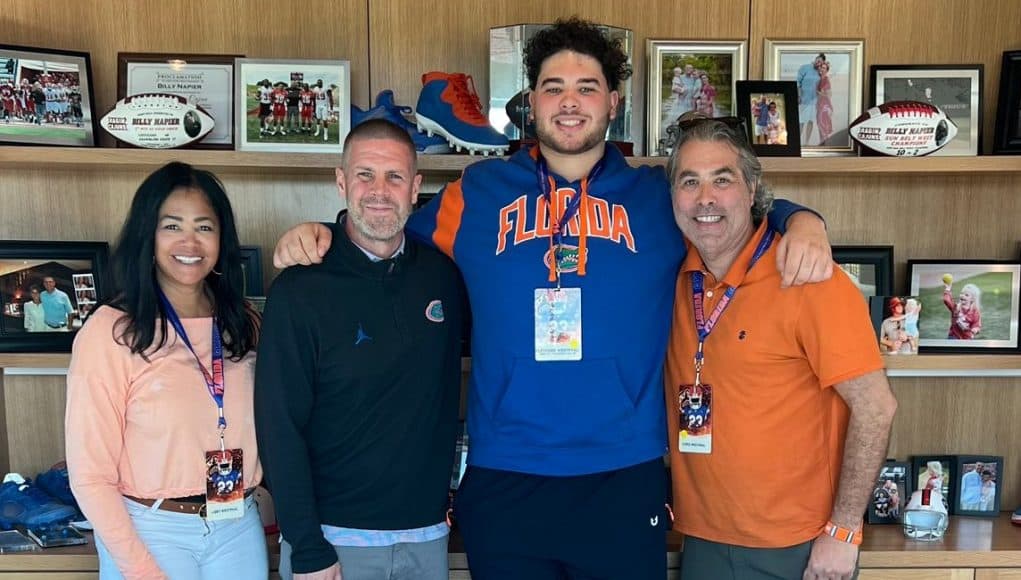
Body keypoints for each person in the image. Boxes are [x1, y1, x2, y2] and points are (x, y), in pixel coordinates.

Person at [272, 17, 835, 579]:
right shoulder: (476, 193)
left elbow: (731, 208)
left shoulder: (656, 197)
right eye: (553, 88)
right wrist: (326, 229)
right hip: (506, 473)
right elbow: (385, 230)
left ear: (613, 102)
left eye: (587, 88)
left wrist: (799, 218)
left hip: (622, 473)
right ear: (531, 102)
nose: (570, 103)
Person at [663, 114, 897, 580]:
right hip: (703, 539)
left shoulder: (809, 278)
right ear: (672, 197)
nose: (705, 198)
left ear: (752, 192)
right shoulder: (670, 273)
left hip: (797, 549)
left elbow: (876, 408)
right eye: (689, 181)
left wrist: (844, 532)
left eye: (722, 180)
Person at [255, 119, 466, 580]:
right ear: (341, 181)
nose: (378, 190)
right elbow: (278, 426)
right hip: (332, 542)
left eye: (394, 177)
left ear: (415, 188)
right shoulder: (299, 288)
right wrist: (307, 545)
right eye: (364, 174)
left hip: (427, 538)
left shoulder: (443, 278)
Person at [65, 162, 266, 580]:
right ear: (148, 235)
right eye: (172, 226)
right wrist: (140, 569)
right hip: (152, 530)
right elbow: (90, 476)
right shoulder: (111, 330)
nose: (190, 241)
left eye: (205, 227)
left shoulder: (243, 321)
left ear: (221, 237)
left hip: (237, 525)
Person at [797, 53, 825, 144]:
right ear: (815, 59)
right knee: (801, 121)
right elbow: (798, 83)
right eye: (818, 60)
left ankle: (806, 142)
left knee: (810, 121)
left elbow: (821, 87)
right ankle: (797, 141)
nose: (818, 62)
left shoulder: (820, 72)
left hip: (814, 101)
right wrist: (799, 96)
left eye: (820, 62)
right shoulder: (805, 67)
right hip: (803, 100)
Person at [816, 60, 834, 144]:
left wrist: (819, 93)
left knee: (822, 123)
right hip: (820, 104)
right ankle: (822, 143)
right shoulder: (820, 79)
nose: (822, 69)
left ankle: (824, 144)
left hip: (825, 105)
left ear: (826, 70)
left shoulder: (826, 80)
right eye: (821, 67)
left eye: (824, 68)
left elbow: (829, 95)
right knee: (820, 124)